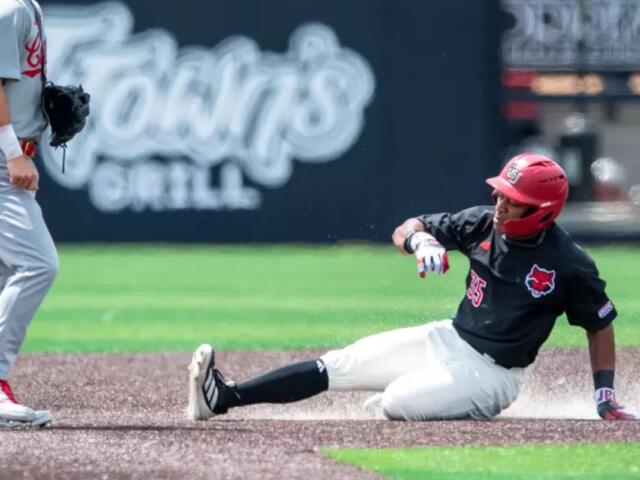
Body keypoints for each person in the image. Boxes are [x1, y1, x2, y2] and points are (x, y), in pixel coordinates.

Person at [188, 153, 637, 422]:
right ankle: (225, 397)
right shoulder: (483, 220)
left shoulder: (570, 264)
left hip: (493, 375)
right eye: (500, 193)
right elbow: (408, 227)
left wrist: (604, 394)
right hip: (449, 338)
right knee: (339, 365)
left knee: (399, 401)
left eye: (512, 202)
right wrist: (420, 239)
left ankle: (424, 395)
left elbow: (600, 325)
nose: (499, 205)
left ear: (541, 210)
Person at [0, 0, 58, 428]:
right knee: (38, 265)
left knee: (4, 274)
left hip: (11, 155)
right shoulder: (9, 9)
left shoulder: (28, 6)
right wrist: (12, 154)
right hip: (2, 161)